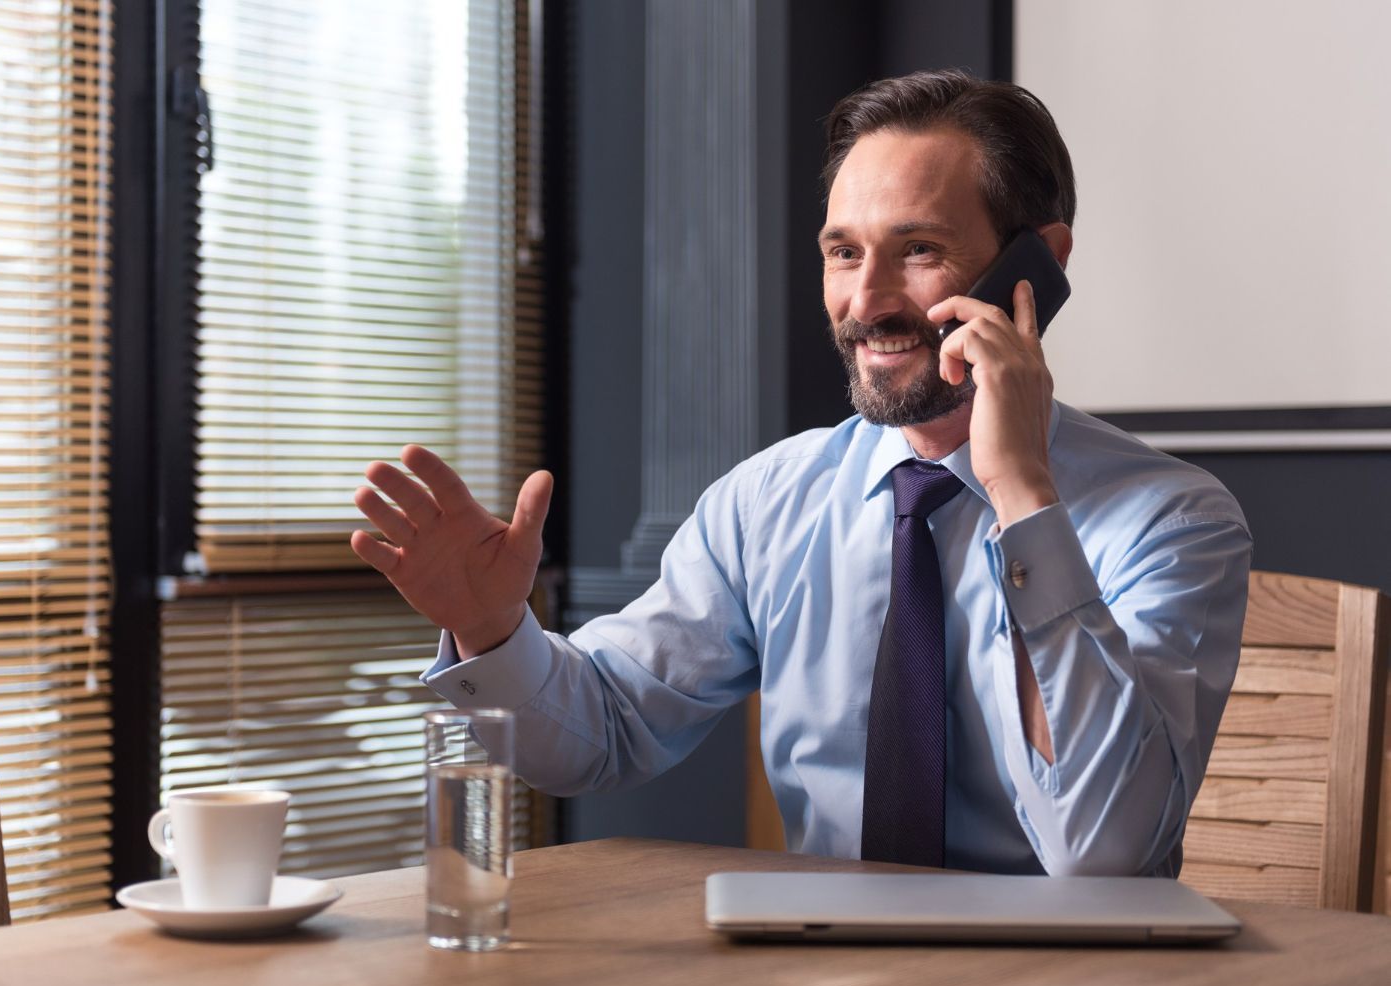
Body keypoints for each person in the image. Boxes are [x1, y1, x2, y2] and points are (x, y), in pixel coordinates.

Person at [350, 70, 1251, 877]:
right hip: (823, 973)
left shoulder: (1170, 521)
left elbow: (1106, 853)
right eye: (845, 252)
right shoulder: (769, 503)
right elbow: (605, 734)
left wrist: (1021, 496)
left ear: (1039, 266)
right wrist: (491, 631)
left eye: (919, 249)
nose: (866, 302)